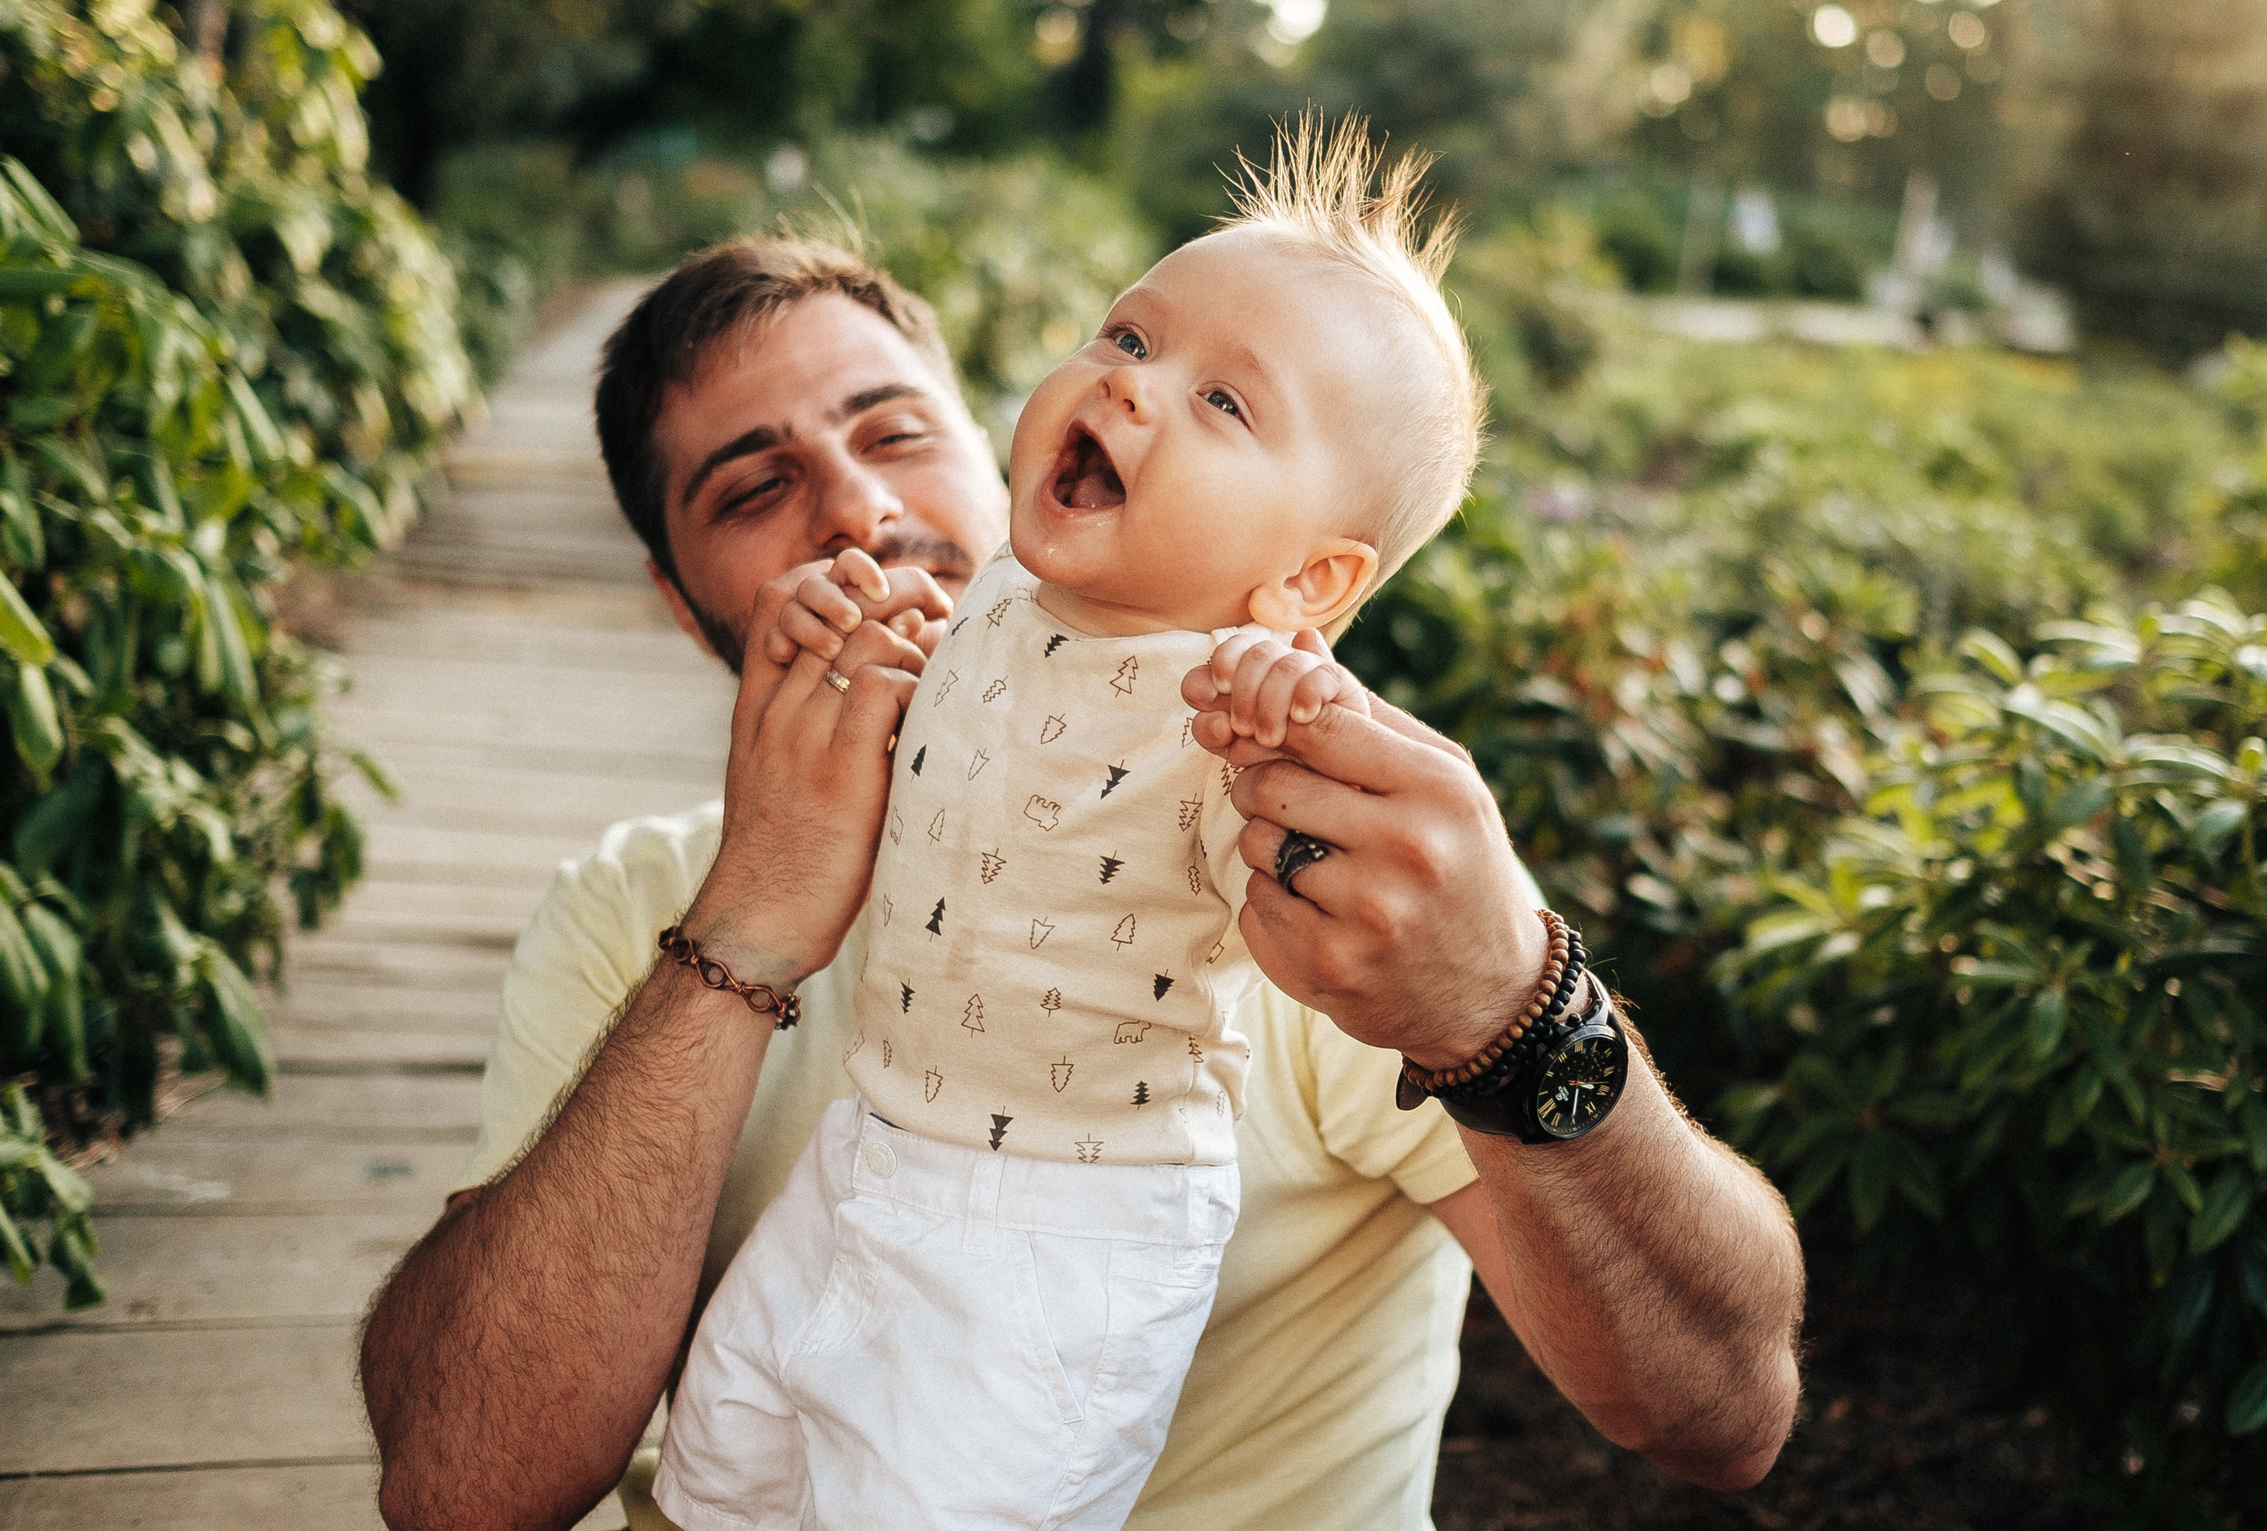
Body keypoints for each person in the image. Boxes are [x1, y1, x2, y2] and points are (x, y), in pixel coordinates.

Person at [358, 178, 1805, 1531]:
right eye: (752, 490)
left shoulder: (1298, 848)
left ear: (982, 450)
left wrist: (1509, 1016)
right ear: (687, 609)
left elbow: (1722, 1413)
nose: (856, 510)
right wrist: (746, 922)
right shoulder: (633, 910)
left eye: (894, 434)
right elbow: (456, 1489)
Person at [652, 124, 1485, 1531]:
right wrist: (830, 625)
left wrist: (1302, 715)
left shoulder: (1239, 710)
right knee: (724, 1463)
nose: (1130, 384)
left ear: (1308, 581)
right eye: (1129, 336)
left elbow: (1330, 844)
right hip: (872, 1149)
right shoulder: (990, 594)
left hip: (1063, 1233)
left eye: (1223, 402)